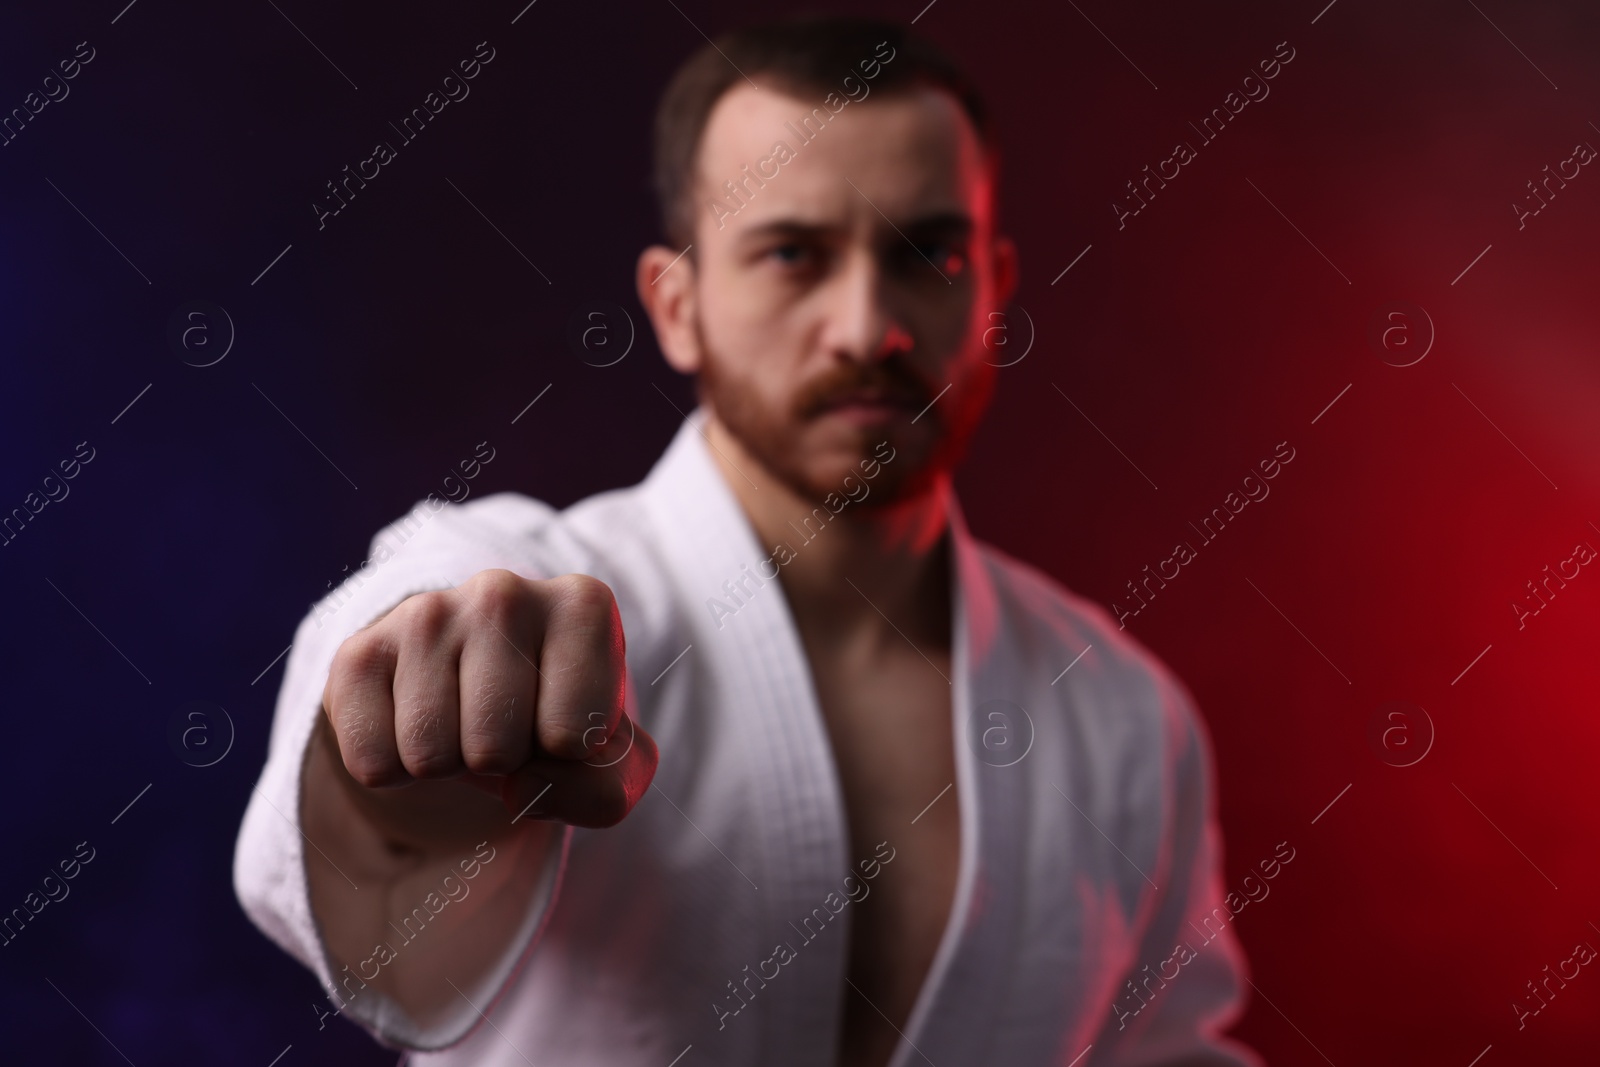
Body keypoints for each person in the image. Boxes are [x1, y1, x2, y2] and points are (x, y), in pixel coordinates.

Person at [234, 14, 1265, 1067]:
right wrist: (416, 735)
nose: (868, 327)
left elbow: (1169, 1046)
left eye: (927, 255)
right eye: (790, 253)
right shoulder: (546, 587)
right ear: (676, 306)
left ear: (995, 289)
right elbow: (431, 602)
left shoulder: (1124, 712)